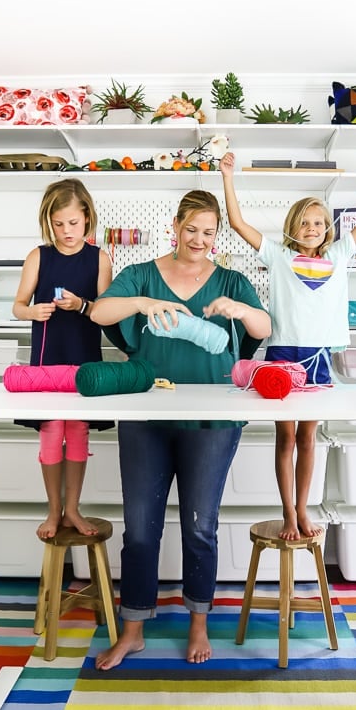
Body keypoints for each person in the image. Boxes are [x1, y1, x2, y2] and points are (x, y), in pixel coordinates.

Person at [91, 189, 271, 669]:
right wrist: (143, 302)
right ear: (174, 226)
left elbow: (264, 327)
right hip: (147, 419)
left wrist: (240, 311)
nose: (198, 239)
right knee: (140, 530)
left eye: (209, 232)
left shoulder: (231, 280)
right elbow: (99, 312)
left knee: (200, 526)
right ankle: (133, 631)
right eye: (191, 229)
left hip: (212, 421)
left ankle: (198, 621)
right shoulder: (141, 275)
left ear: (217, 235)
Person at [220, 150, 356, 541]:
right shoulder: (278, 256)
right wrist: (228, 176)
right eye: (305, 221)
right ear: (293, 226)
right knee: (286, 438)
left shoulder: (338, 254)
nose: (313, 227)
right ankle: (288, 515)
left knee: (309, 439)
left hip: (318, 360)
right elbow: (237, 222)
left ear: (327, 227)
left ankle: (303, 508)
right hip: (282, 356)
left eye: (319, 222)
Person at [12, 178, 113, 541]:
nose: (66, 231)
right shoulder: (39, 256)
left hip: (84, 357)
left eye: (73, 222)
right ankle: (54, 509)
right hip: (47, 359)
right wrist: (33, 312)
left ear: (87, 217)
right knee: (52, 432)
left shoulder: (99, 258)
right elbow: (17, 305)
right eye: (58, 224)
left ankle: (73, 508)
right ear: (48, 222)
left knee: (79, 431)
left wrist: (82, 306)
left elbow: (106, 310)